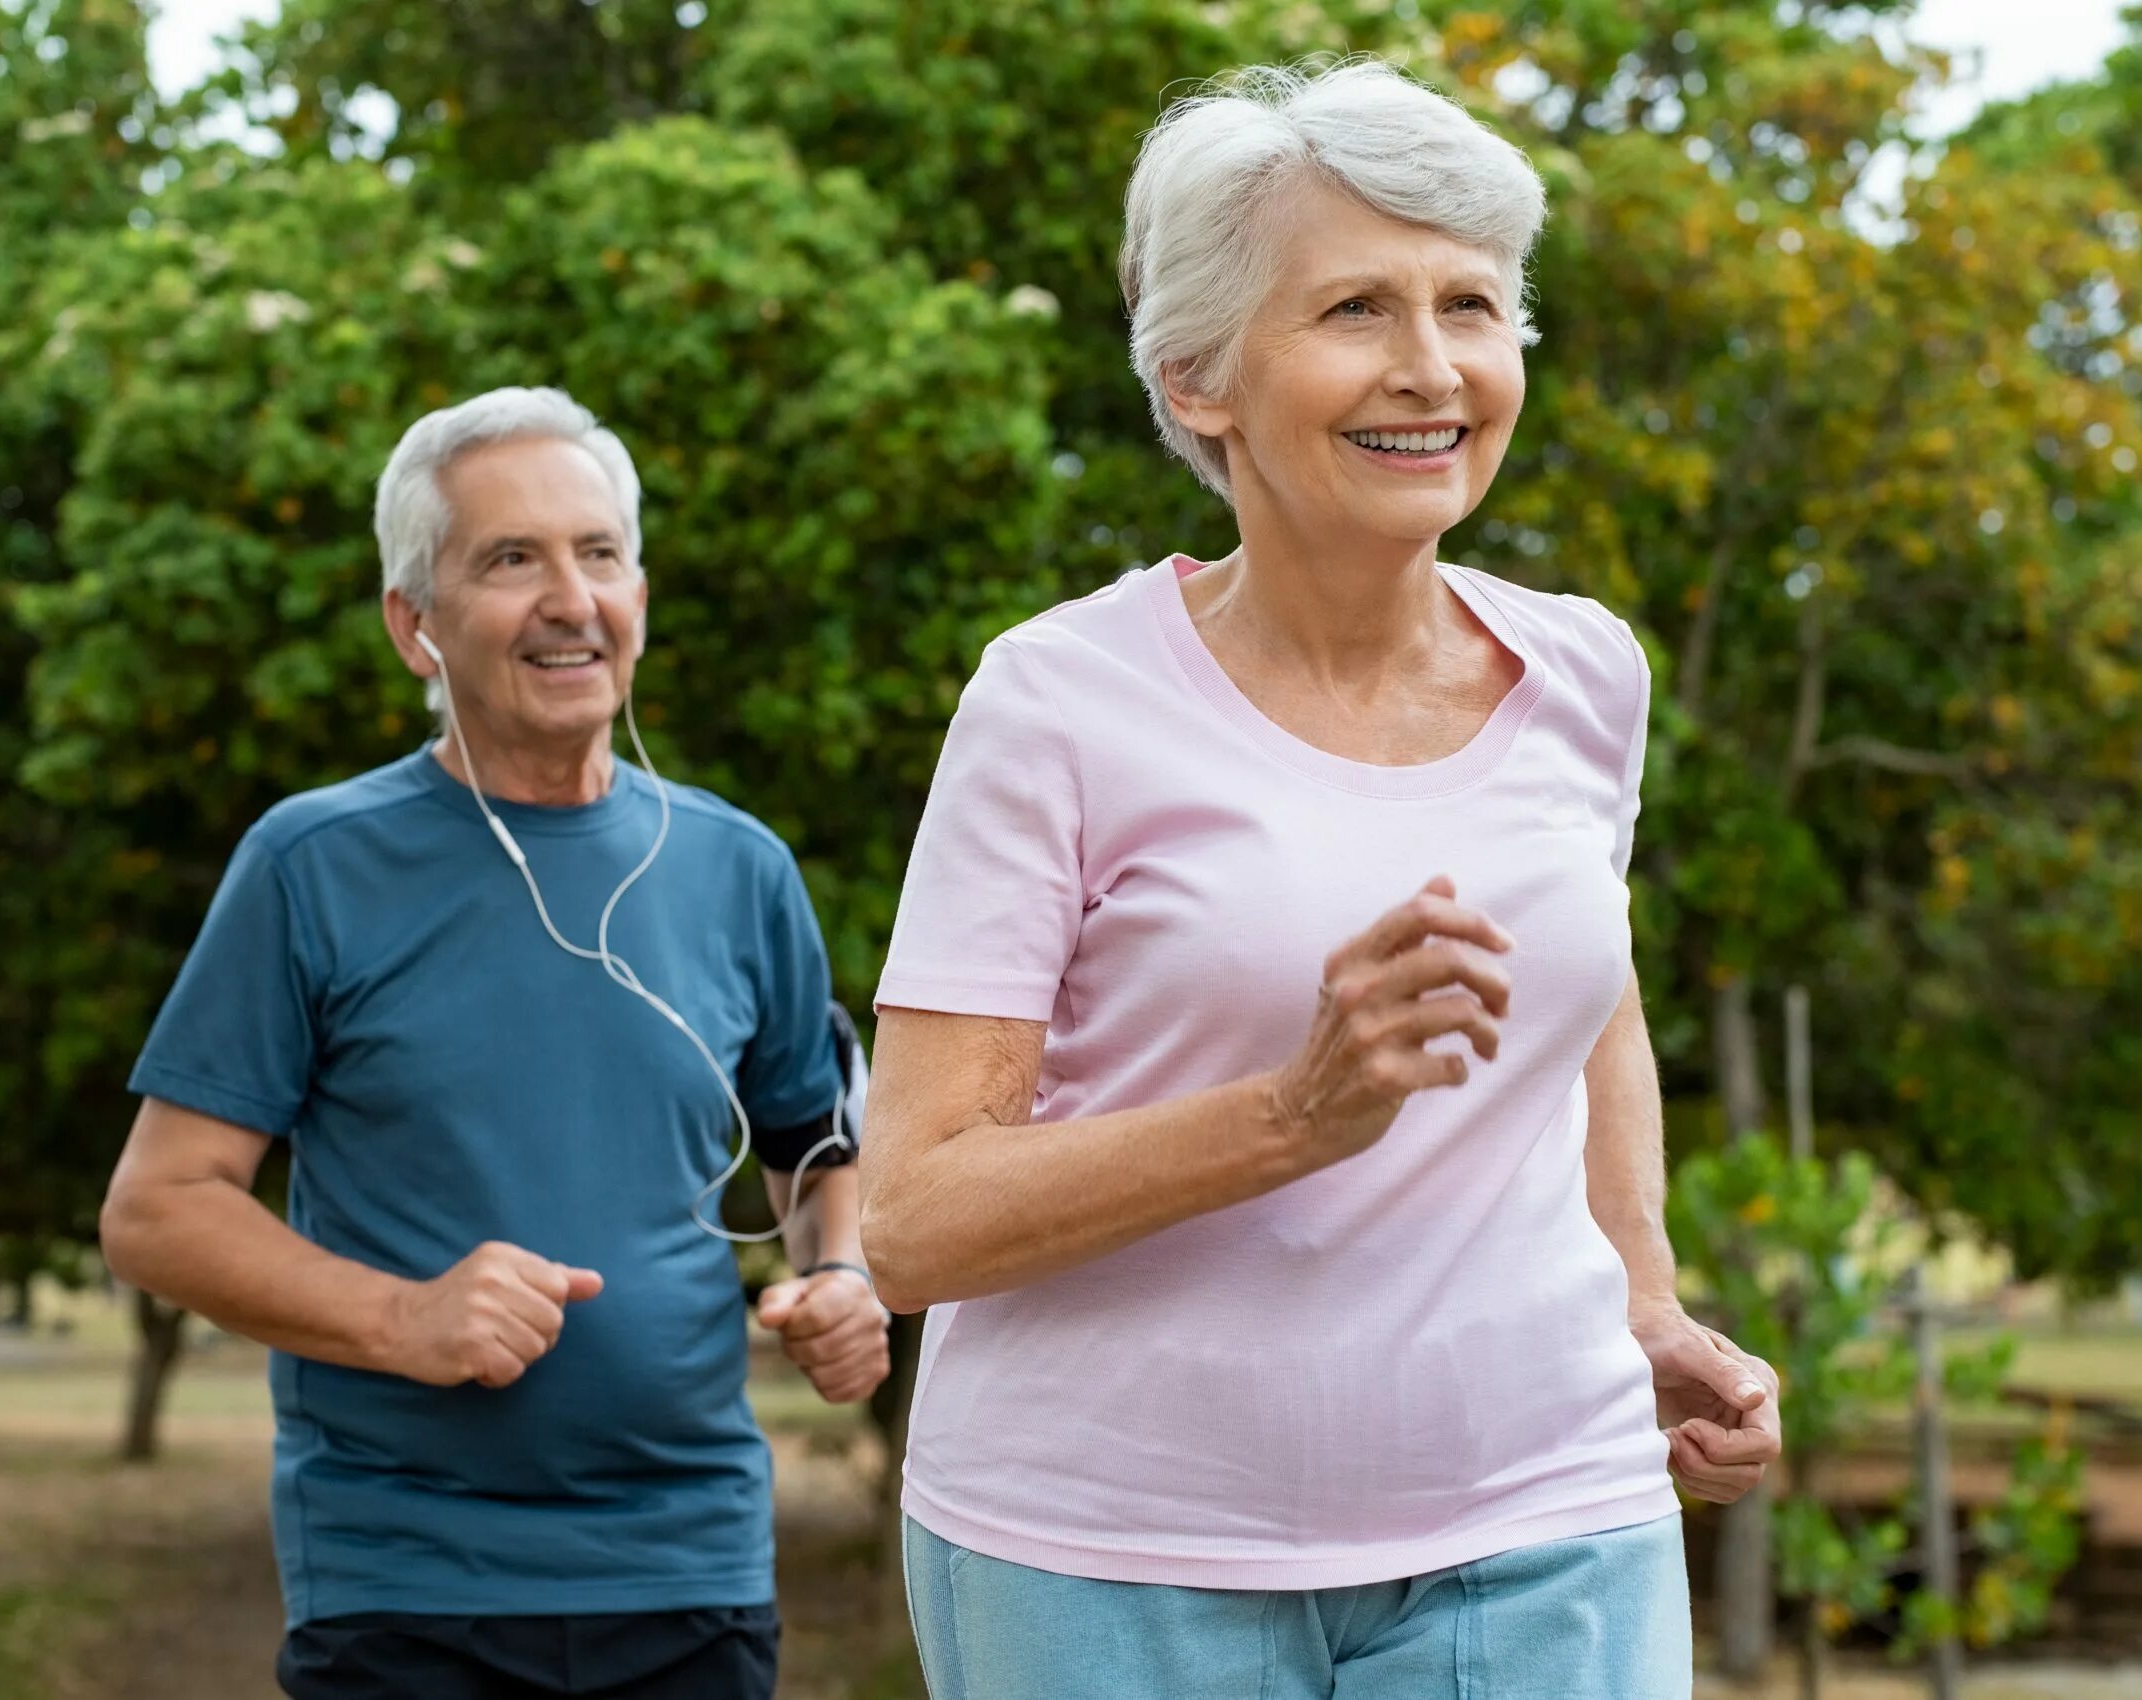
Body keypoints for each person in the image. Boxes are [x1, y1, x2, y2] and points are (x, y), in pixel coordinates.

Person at [860, 62, 1781, 1699]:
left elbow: (1588, 1008)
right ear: (1199, 376)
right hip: (1106, 1557)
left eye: (1473, 306)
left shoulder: (1586, 675)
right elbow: (914, 1221)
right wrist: (1292, 1115)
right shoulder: (1054, 703)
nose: (1432, 370)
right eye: (1356, 307)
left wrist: (1642, 1294)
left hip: (1548, 1519)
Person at [100, 386, 890, 1700]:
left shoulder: (739, 865)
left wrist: (843, 1277)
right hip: (409, 1587)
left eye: (600, 553)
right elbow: (159, 1213)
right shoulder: (312, 864)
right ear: (417, 626)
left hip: (693, 1574)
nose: (570, 598)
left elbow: (814, 1136)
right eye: (510, 560)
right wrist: (406, 1319)